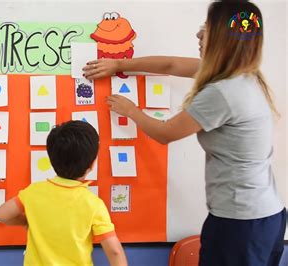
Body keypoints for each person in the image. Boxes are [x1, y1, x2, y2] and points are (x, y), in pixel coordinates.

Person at [83, 1, 285, 265]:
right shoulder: (242, 75)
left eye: (206, 28)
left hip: (240, 222)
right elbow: (170, 65)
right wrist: (120, 63)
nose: (199, 35)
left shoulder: (223, 92)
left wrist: (130, 109)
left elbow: (166, 133)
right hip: (265, 216)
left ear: (223, 40)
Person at [0, 120, 127, 266]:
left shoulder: (33, 192)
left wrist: (28, 222)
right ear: (91, 165)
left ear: (52, 159)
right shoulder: (93, 204)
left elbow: (2, 214)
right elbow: (114, 251)